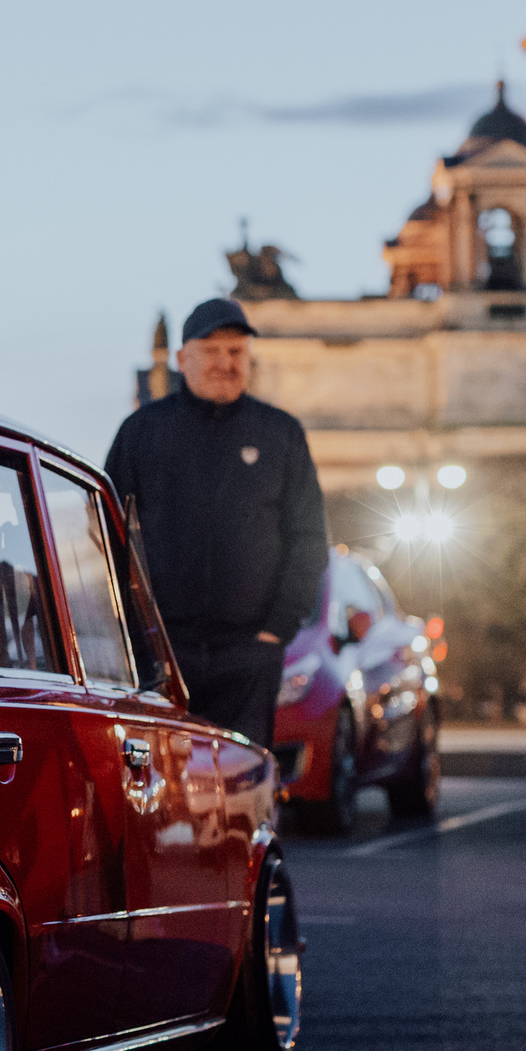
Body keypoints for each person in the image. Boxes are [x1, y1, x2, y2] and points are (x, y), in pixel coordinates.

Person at [105, 296, 328, 746]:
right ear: (182, 359)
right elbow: (108, 532)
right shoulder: (141, 432)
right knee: (166, 778)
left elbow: (308, 539)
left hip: (250, 657)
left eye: (236, 351)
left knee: (242, 779)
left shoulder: (281, 434)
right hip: (162, 657)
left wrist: (276, 631)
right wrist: (133, 627)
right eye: (211, 351)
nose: (225, 363)